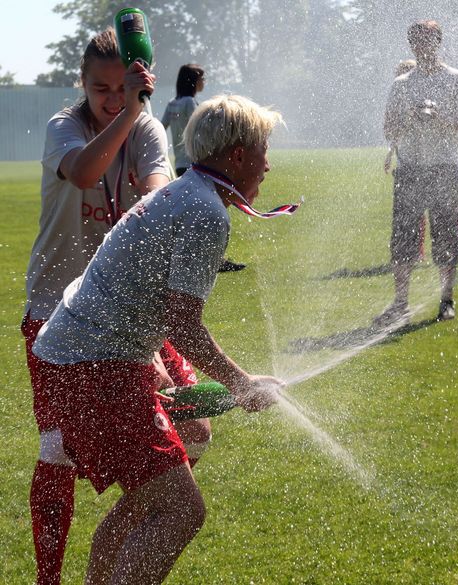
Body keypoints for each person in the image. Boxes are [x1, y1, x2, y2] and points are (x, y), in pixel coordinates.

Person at [31, 94, 285, 584]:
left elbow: (142, 298)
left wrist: (152, 362)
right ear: (237, 155)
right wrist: (241, 382)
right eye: (263, 150)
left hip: (79, 361)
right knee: (181, 512)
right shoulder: (206, 211)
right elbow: (184, 324)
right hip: (96, 368)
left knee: (155, 493)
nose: (268, 165)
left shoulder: (186, 191)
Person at [22, 29, 210, 585]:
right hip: (56, 317)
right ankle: (49, 579)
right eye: (99, 88)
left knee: (197, 426)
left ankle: (119, 529)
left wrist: (136, 118)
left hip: (127, 319)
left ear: (139, 81)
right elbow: (82, 173)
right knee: (57, 451)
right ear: (82, 84)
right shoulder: (66, 127)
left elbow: (158, 197)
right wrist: (127, 113)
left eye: (119, 87)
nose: (109, 97)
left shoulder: (147, 127)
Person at [378, 20, 458, 326]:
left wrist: (441, 116)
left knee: (445, 234)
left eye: (428, 40)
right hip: (410, 167)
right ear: (411, 44)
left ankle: (446, 300)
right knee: (403, 237)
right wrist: (409, 117)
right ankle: (400, 303)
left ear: (438, 41)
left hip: (445, 166)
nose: (422, 46)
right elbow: (388, 129)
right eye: (416, 41)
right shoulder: (402, 85)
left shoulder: (457, 79)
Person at [384, 58, 458, 266]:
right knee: (414, 216)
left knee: (446, 213)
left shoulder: (449, 84)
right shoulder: (403, 94)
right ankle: (416, 253)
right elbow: (394, 133)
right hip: (411, 163)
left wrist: (438, 116)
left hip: (441, 163)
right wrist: (390, 153)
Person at [162, 63, 246, 273]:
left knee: (193, 212)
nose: (204, 82)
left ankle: (201, 256)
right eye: (201, 78)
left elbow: (161, 127)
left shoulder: (172, 104)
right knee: (211, 210)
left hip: (180, 164)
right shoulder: (191, 103)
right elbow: (201, 130)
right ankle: (214, 258)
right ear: (193, 81)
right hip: (197, 164)